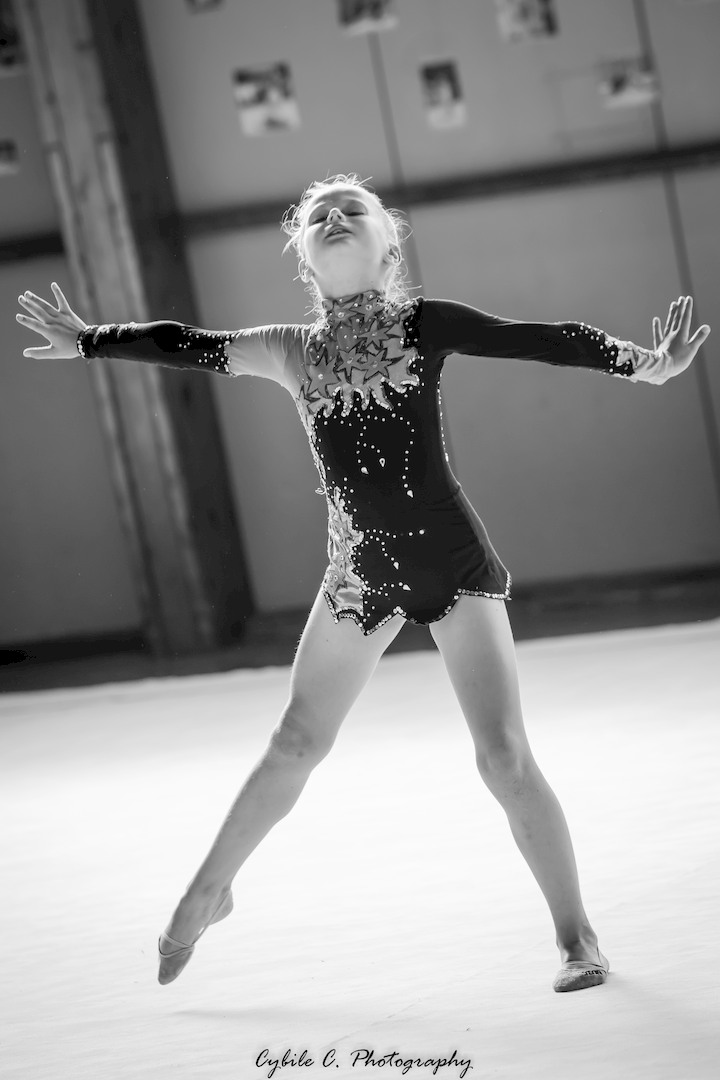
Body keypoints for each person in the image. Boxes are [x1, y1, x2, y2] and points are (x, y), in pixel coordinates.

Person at [16, 174, 710, 993]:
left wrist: (643, 366)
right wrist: (91, 340)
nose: (337, 217)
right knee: (295, 741)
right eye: (320, 214)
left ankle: (576, 935)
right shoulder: (290, 349)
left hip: (452, 567)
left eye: (355, 210)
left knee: (502, 757)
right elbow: (184, 342)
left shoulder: (425, 326)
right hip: (358, 575)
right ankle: (209, 893)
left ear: (388, 247)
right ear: (303, 256)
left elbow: (536, 337)